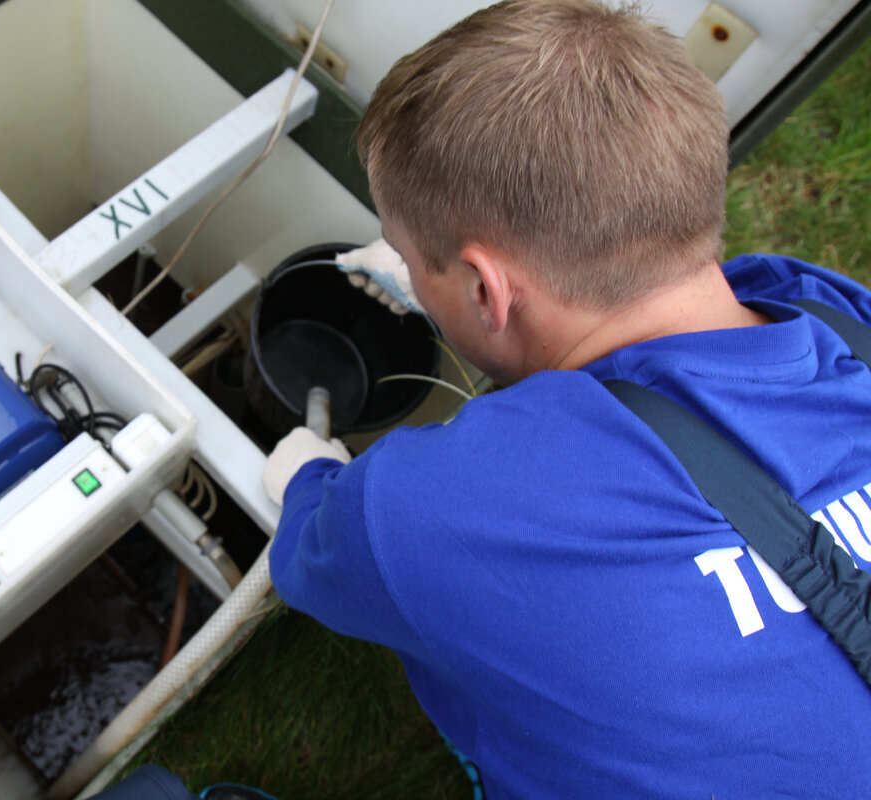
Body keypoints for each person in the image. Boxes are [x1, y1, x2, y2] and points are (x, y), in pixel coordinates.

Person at [260, 0, 871, 797]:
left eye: (410, 258)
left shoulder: (427, 509)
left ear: (486, 288)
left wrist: (306, 479)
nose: (404, 269)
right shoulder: (834, 314)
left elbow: (316, 557)